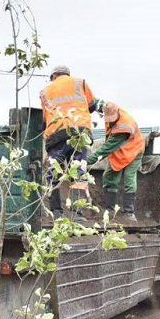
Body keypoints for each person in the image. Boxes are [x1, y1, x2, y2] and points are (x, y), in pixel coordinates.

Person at [39, 65, 103, 216]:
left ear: (53, 76)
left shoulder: (44, 91)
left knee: (54, 172)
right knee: (78, 172)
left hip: (57, 134)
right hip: (80, 131)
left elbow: (45, 118)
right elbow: (92, 105)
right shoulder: (80, 82)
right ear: (68, 74)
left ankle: (56, 213)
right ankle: (78, 214)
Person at [89, 102, 145, 221]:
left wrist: (89, 160)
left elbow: (107, 148)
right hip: (120, 150)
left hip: (134, 149)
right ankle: (110, 210)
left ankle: (129, 213)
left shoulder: (124, 126)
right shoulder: (109, 110)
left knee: (129, 178)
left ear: (117, 112)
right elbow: (99, 103)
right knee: (109, 176)